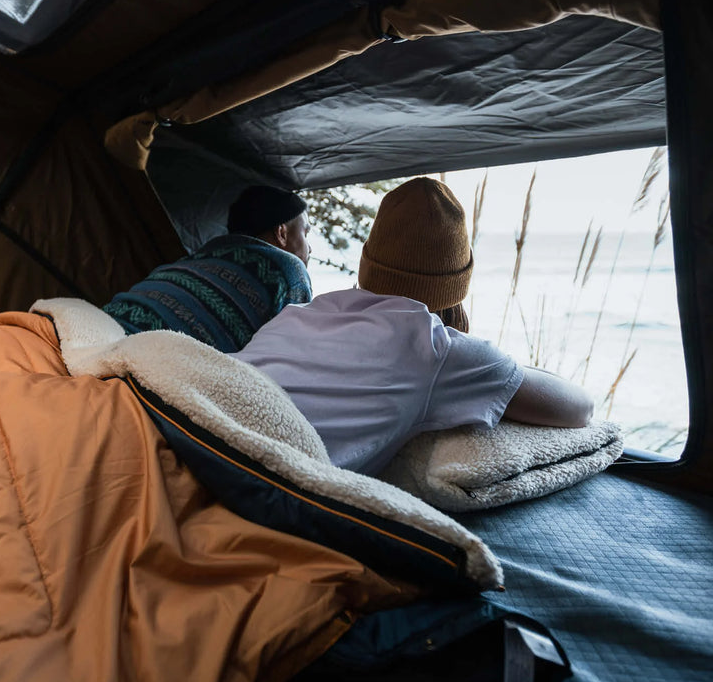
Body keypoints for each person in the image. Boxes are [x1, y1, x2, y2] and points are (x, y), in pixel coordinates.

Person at [233, 177, 593, 476]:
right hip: (260, 490)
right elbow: (579, 408)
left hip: (200, 450)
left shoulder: (300, 313)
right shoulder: (437, 349)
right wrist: (500, 366)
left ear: (368, 263)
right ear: (454, 286)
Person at [103, 185, 312, 352]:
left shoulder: (186, 263)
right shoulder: (287, 268)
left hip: (98, 337)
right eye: (305, 233)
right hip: (141, 364)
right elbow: (295, 358)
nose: (309, 247)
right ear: (281, 233)